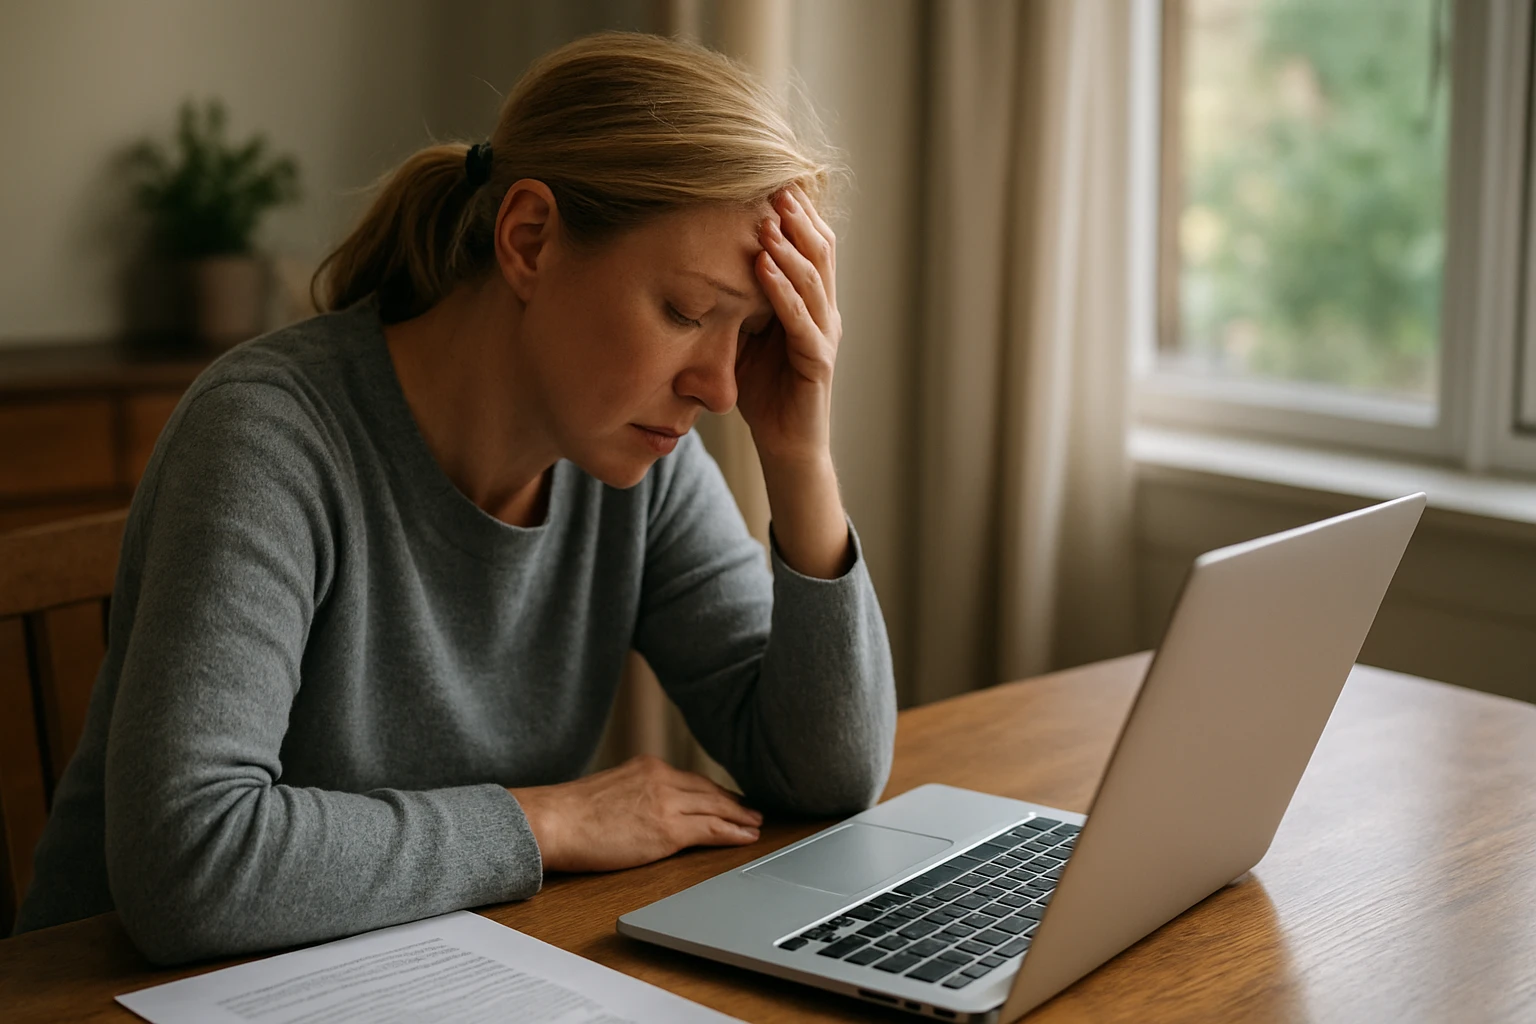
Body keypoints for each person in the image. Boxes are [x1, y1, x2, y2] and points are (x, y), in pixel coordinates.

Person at [14, 31, 896, 965]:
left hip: (403, 970)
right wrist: (545, 823)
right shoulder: (268, 436)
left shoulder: (643, 462)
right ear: (529, 239)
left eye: (750, 333)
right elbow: (190, 864)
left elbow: (823, 775)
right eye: (685, 313)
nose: (720, 388)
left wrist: (799, 458)